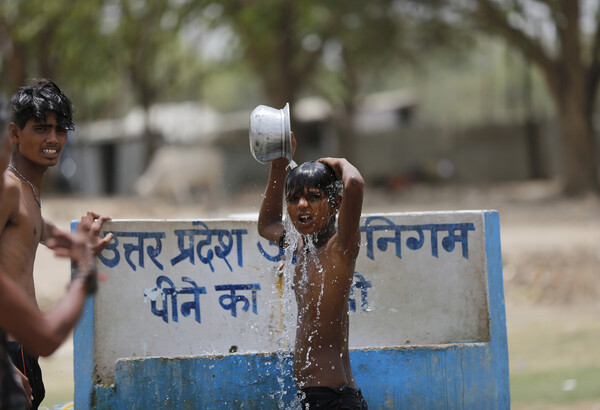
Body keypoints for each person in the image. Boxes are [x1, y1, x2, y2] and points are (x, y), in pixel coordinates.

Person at [0, 81, 113, 409]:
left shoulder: (28, 194)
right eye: (40, 128)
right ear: (15, 134)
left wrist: (81, 242)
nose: (53, 139)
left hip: (25, 347)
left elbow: (42, 232)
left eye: (59, 129)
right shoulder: (8, 189)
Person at [258, 134, 368, 409]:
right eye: (293, 199)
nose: (301, 206)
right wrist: (279, 163)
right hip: (317, 396)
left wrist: (339, 163)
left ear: (335, 205)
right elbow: (267, 224)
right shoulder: (301, 247)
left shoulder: (340, 249)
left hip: (334, 398)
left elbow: (354, 183)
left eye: (313, 197)